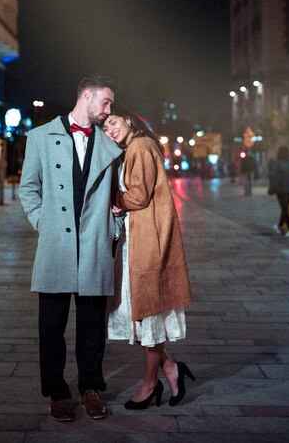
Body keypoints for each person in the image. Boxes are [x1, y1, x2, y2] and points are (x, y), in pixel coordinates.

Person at [19, 75, 122, 423]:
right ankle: (57, 392)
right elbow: (28, 189)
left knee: (93, 327)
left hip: (94, 244)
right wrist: (42, 223)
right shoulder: (40, 137)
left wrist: (114, 228)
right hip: (56, 246)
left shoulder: (110, 143)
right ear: (87, 96)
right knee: (51, 327)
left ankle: (91, 389)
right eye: (106, 102)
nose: (109, 110)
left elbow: (120, 194)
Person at [102, 104, 193, 410]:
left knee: (145, 315)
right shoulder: (135, 147)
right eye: (104, 128)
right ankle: (171, 369)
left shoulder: (139, 146)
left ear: (128, 120)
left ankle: (149, 383)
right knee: (140, 316)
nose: (110, 130)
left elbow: (138, 196)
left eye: (113, 122)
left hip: (147, 245)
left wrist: (115, 200)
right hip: (139, 241)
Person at [269, 145, 289, 236]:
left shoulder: (277, 163)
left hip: (281, 188)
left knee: (284, 208)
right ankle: (280, 226)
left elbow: (272, 175)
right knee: (284, 207)